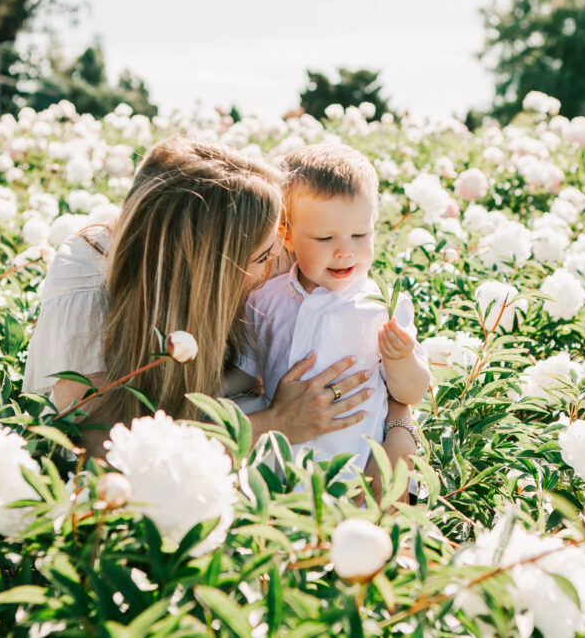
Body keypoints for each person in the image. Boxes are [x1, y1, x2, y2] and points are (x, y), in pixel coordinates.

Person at [22, 137, 375, 457]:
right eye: (262, 258)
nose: (278, 268)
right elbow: (101, 443)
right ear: (210, 268)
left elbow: (367, 317)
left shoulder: (259, 241)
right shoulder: (88, 274)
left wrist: (400, 429)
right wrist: (274, 422)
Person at [226, 143, 431, 482]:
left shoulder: (382, 308)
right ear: (286, 235)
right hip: (278, 469)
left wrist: (401, 359)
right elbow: (247, 375)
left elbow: (411, 393)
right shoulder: (265, 299)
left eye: (359, 235)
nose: (344, 251)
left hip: (354, 473)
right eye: (324, 238)